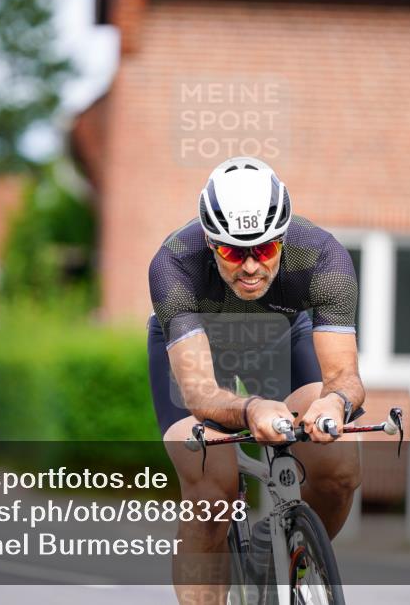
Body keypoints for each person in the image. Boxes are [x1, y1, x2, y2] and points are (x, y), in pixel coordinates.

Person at [147, 157, 366, 604]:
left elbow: (344, 376)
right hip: (198, 352)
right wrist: (251, 408)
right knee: (211, 488)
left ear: (284, 237)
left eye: (264, 251)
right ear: (210, 242)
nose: (250, 267)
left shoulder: (323, 255)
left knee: (339, 469)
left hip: (280, 341)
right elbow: (200, 392)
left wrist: (335, 403)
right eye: (232, 252)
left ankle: (288, 556)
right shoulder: (174, 263)